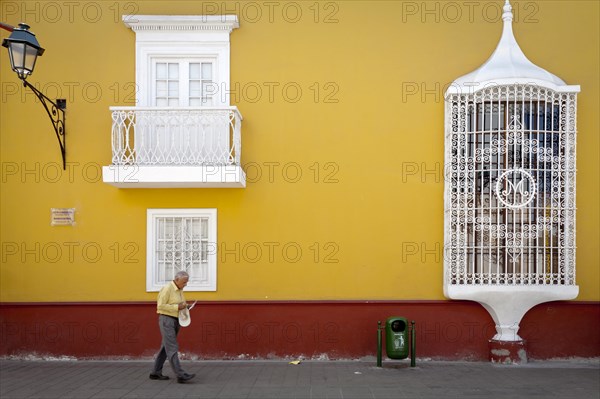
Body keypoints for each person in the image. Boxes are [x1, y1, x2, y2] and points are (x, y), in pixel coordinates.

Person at [149, 271, 196, 383]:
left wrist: (186, 307)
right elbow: (160, 306)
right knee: (172, 347)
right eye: (184, 282)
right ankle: (180, 374)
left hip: (176, 319)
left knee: (166, 347)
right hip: (167, 320)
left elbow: (179, 304)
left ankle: (155, 372)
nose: (186, 284)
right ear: (177, 279)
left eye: (186, 282)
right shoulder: (167, 288)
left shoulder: (179, 290)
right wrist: (177, 307)